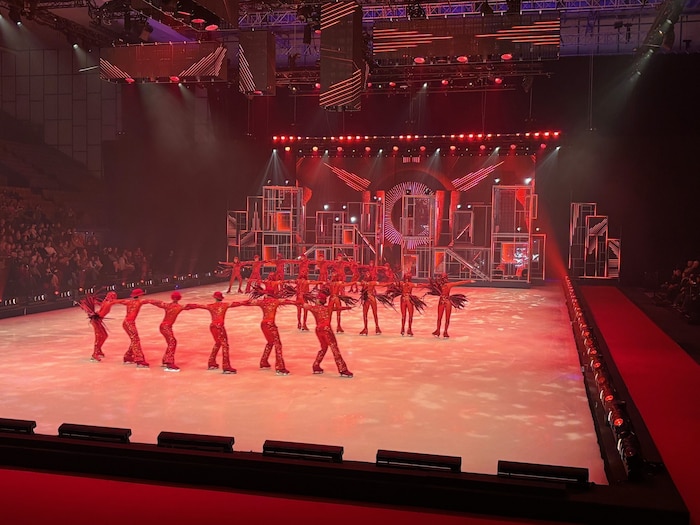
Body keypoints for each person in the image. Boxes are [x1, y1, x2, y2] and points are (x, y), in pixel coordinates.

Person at [187, 291, 247, 374]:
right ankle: (226, 367)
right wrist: (247, 302)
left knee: (218, 343)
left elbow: (199, 306)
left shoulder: (210, 306)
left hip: (212, 327)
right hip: (219, 327)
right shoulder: (225, 305)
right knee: (225, 345)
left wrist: (190, 306)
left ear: (215, 298)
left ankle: (211, 363)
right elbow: (236, 303)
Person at [243, 294, 297, 375]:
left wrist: (238, 303)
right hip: (270, 324)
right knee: (278, 344)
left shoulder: (262, 302)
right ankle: (280, 367)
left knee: (270, 343)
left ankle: (264, 362)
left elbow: (248, 302)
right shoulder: (276, 301)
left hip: (263, 325)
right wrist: (300, 301)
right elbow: (291, 302)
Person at [302, 292, 353, 378]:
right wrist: (347, 307)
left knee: (324, 348)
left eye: (317, 298)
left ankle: (316, 365)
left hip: (318, 330)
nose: (315, 300)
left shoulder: (314, 308)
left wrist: (301, 298)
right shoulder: (327, 308)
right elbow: (337, 308)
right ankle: (343, 369)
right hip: (326, 330)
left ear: (319, 300)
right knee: (334, 348)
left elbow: (304, 305)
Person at [148, 291, 197, 371]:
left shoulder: (167, 305)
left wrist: (147, 301)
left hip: (163, 326)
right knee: (172, 342)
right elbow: (190, 306)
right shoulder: (180, 307)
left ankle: (165, 360)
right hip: (166, 327)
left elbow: (157, 303)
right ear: (179, 298)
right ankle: (169, 363)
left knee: (171, 342)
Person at [111, 288, 155, 368]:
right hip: (129, 323)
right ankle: (139, 360)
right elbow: (151, 301)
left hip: (125, 323)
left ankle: (128, 357)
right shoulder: (140, 301)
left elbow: (119, 301)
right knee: (136, 340)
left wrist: (112, 300)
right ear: (140, 295)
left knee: (135, 339)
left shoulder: (128, 302)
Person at [427, 273, 474, 338]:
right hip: (446, 301)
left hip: (443, 301)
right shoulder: (443, 285)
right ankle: (441, 331)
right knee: (443, 318)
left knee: (443, 318)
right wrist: (469, 281)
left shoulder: (441, 285)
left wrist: (469, 281)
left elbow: (459, 283)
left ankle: (441, 331)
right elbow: (459, 283)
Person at [78, 290, 117, 362]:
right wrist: (93, 314)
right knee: (100, 337)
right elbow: (101, 313)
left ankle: (98, 350)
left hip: (97, 320)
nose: (114, 298)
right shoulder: (108, 303)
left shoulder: (106, 302)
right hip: (96, 321)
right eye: (113, 297)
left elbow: (102, 305)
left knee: (104, 335)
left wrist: (95, 305)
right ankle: (95, 354)